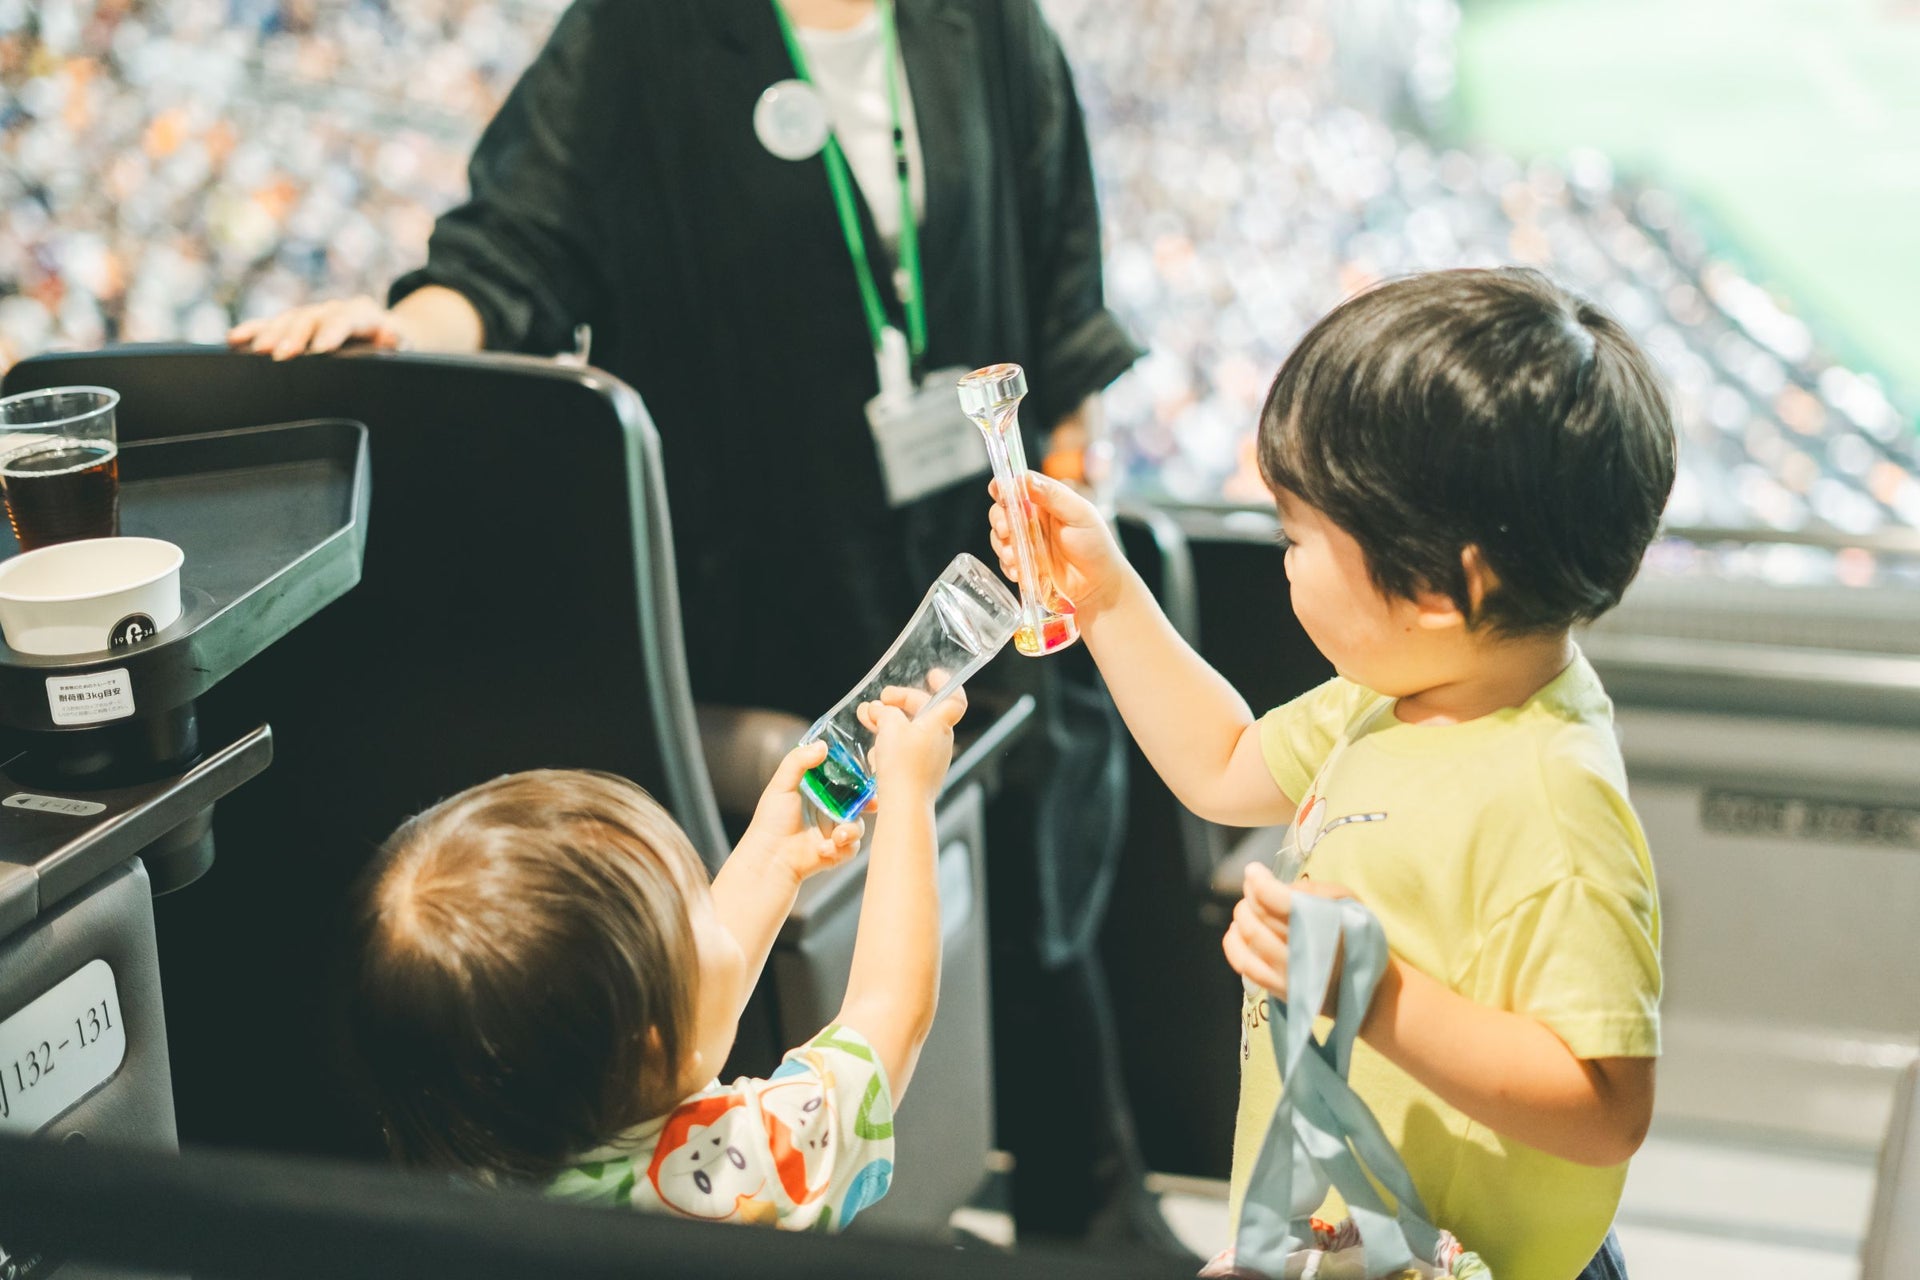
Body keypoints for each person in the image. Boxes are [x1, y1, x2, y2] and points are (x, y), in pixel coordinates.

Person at [233, 0, 1146, 1238]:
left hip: (981, 549)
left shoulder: (980, 23)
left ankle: (1086, 1205)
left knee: (1037, 898)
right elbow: (508, 252)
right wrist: (408, 332)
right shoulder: (639, 35)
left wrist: (1058, 501)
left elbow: (1060, 283)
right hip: (766, 571)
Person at [989, 268, 1671, 1280]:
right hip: (1352, 1245)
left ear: (1445, 585)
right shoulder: (1397, 691)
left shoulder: (1552, 801)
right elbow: (1224, 764)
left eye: (1299, 534)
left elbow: (1608, 1107)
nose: (1284, 560)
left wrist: (1378, 993)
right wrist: (1108, 600)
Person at [342, 686, 965, 1229]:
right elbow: (890, 1010)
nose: (716, 912)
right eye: (699, 906)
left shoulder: (471, 1148)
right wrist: (912, 801)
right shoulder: (739, 1171)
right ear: (655, 1042)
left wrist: (771, 861)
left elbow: (684, 1003)